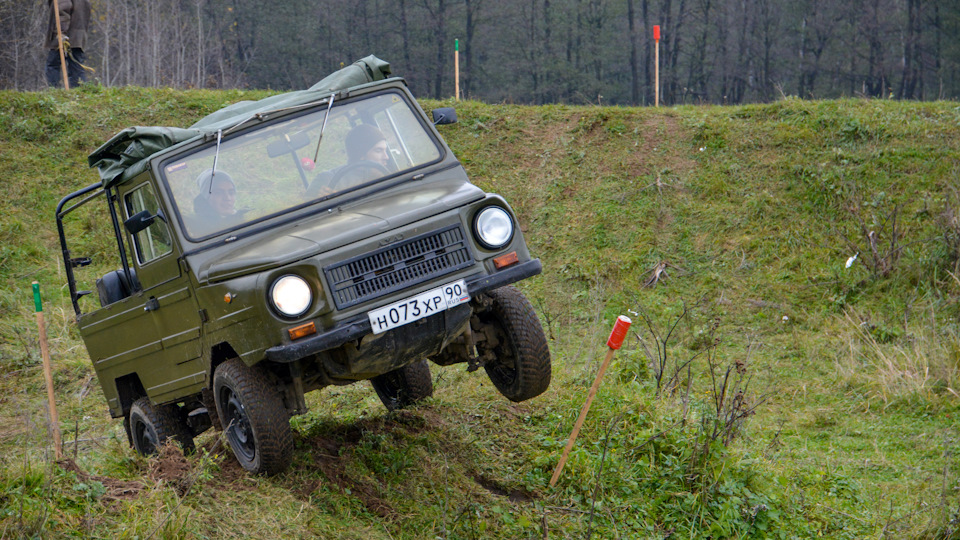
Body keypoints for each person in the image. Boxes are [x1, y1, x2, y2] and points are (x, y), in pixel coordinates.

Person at [309, 124, 392, 197]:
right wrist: (322, 199)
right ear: (361, 154)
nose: (386, 157)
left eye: (385, 150)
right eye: (378, 151)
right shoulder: (327, 179)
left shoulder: (389, 174)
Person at [45, 0, 91, 88]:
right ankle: (79, 93)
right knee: (76, 66)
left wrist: (61, 32)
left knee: (52, 65)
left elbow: (62, 10)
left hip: (64, 36)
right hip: (79, 36)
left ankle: (54, 92)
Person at [190, 169, 241, 235]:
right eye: (218, 193)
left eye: (231, 192)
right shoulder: (196, 227)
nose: (227, 198)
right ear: (206, 197)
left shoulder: (245, 217)